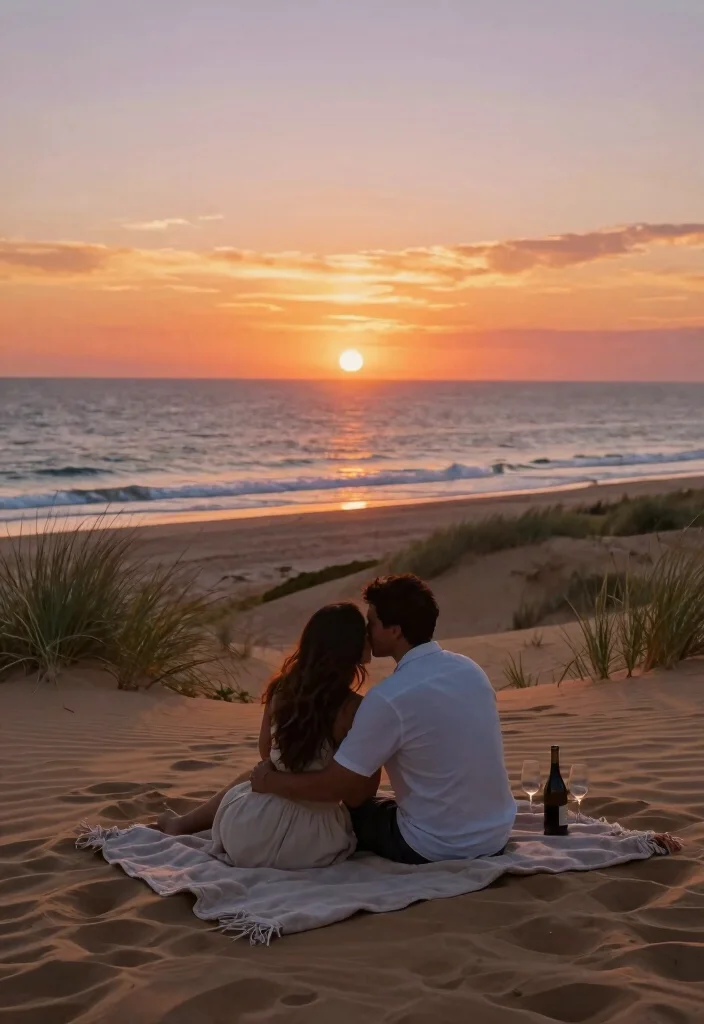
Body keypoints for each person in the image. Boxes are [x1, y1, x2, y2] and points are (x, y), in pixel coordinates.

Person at [251, 574, 517, 863]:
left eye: (372, 622)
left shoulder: (389, 697)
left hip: (434, 846)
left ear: (395, 631)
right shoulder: (470, 669)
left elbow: (340, 787)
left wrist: (271, 782)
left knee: (350, 812)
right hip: (495, 834)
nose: (366, 631)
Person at [157, 603, 378, 869]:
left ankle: (181, 824)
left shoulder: (280, 690)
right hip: (310, 843)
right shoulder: (354, 708)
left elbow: (267, 752)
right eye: (364, 634)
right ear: (350, 647)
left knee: (255, 776)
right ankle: (182, 824)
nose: (369, 638)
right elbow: (360, 793)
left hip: (245, 831)